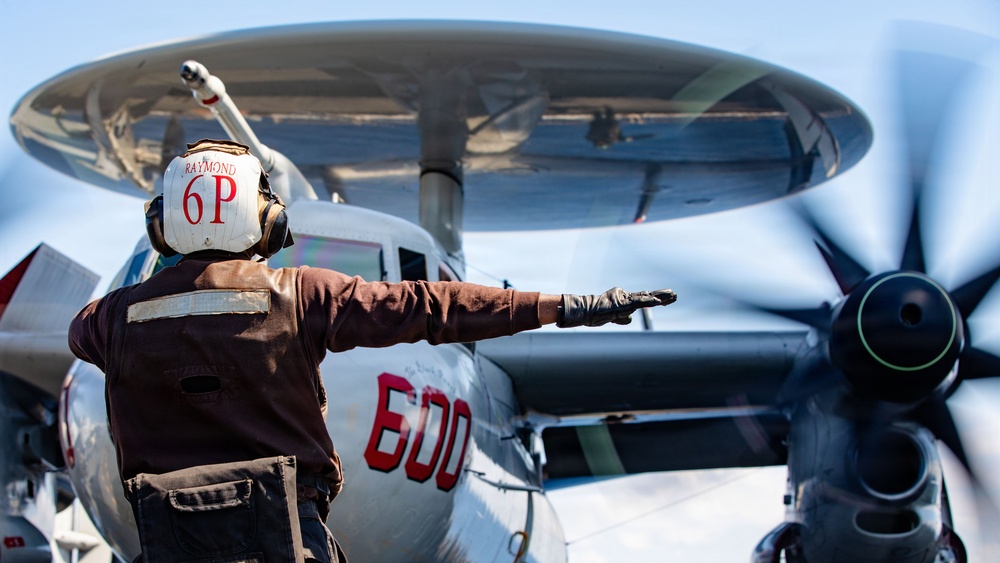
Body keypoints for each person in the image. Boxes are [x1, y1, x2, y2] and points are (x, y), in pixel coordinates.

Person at [68, 139, 676, 563]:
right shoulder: (301, 295)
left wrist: (170, 284)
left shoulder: (109, 321)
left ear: (161, 227)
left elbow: (82, 333)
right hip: (285, 542)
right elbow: (432, 307)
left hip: (167, 542)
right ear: (269, 226)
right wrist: (562, 306)